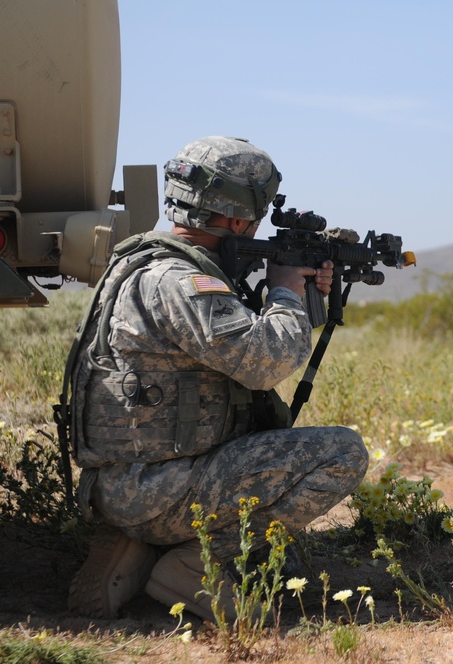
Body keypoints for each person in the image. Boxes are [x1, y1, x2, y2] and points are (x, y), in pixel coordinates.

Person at [65, 136, 368, 620]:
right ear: (234, 220)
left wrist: (296, 291)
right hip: (156, 489)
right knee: (341, 454)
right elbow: (266, 363)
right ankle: (188, 564)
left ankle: (137, 549)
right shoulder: (184, 282)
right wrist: (286, 293)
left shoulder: (147, 265)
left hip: (129, 482)